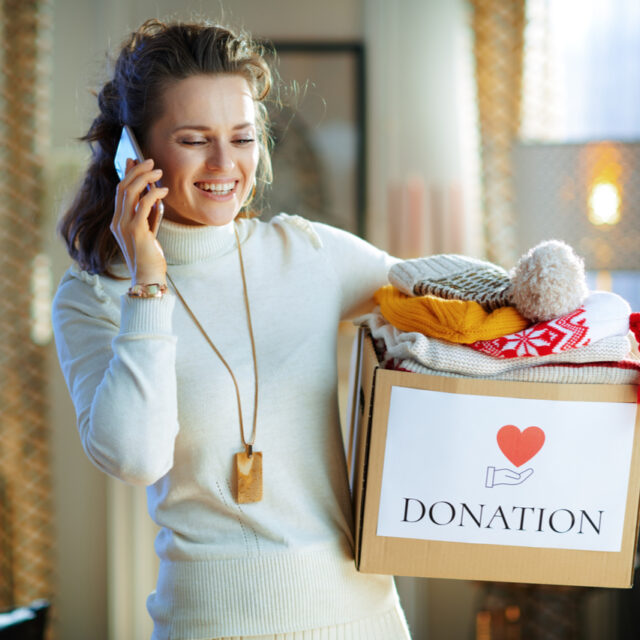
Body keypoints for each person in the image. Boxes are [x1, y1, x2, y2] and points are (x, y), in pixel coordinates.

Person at [52, 18, 411, 640]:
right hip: (208, 623)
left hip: (363, 618)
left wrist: (557, 290)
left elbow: (446, 288)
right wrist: (148, 282)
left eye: (242, 138)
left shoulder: (307, 251)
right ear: (132, 152)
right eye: (195, 139)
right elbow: (136, 457)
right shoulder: (93, 297)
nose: (225, 163)